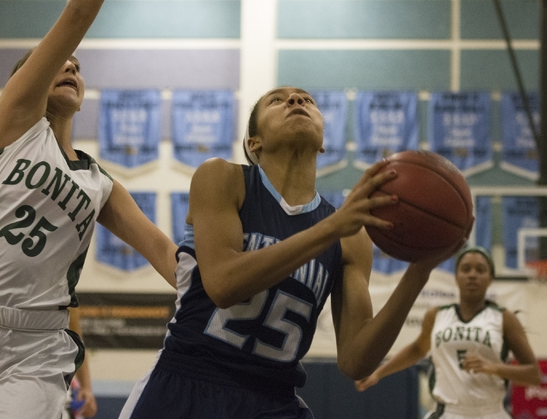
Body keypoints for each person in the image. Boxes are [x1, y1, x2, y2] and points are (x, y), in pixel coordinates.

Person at [0, 0, 178, 418]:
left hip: (36, 346)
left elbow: (165, 253)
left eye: (78, 67)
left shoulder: (100, 185)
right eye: (61, 62)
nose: (70, 66)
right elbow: (77, 13)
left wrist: (219, 290)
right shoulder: (15, 129)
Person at [119, 86, 464, 419]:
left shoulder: (351, 236)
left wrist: (419, 273)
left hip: (273, 399)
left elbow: (356, 361)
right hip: (186, 386)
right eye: (277, 100)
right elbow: (224, 284)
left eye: (307, 99)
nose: (296, 99)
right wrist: (330, 229)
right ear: (255, 143)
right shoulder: (222, 178)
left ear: (323, 144)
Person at [355, 246, 541, 419]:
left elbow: (533, 374)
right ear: (456, 276)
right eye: (466, 269)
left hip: (491, 412)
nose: (472, 275)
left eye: (480, 270)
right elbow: (418, 349)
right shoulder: (437, 315)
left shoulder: (504, 318)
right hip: (448, 412)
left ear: (491, 278)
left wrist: (493, 367)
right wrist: (379, 373)